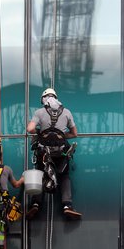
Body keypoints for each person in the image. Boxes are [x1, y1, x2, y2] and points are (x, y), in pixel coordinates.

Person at [26, 88, 81, 219]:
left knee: (40, 173)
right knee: (64, 176)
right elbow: (74, 134)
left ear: (43, 99)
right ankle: (67, 205)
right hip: (61, 151)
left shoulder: (39, 112)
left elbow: (30, 129)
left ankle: (35, 204)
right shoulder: (66, 112)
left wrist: (41, 134)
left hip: (44, 152)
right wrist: (61, 135)